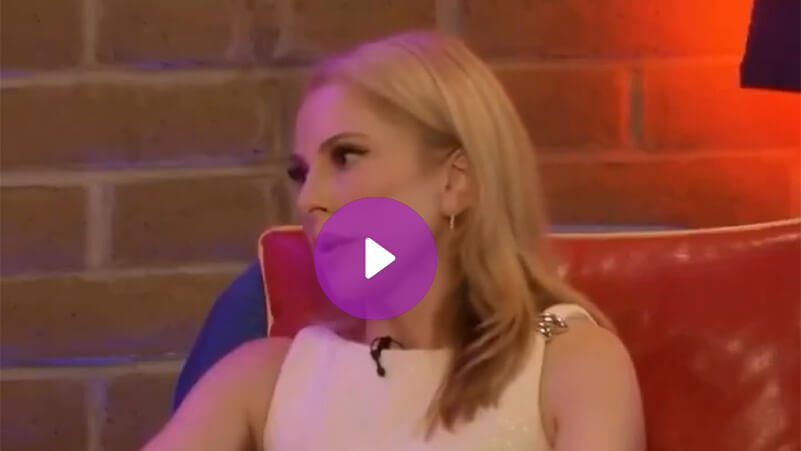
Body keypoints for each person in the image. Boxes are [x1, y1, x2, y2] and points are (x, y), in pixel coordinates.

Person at [144, 30, 645, 450]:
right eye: (301, 173)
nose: (309, 200)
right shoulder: (263, 379)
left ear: (455, 182)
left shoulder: (568, 364)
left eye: (346, 157)